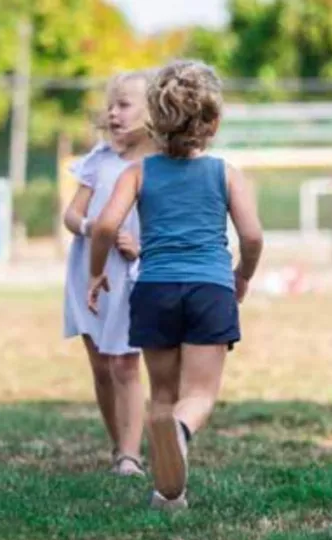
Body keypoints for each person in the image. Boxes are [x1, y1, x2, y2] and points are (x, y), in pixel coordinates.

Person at [88, 60, 264, 510]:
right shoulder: (226, 173)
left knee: (163, 395)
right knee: (200, 394)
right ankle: (180, 432)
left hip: (154, 289)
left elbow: (106, 225)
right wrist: (243, 274)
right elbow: (252, 236)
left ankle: (169, 494)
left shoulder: (138, 173)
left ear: (155, 119)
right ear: (215, 121)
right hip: (209, 289)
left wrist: (95, 272)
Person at [62, 70, 157, 476]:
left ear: (152, 111)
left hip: (133, 275)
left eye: (124, 105)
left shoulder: (161, 166)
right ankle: (118, 445)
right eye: (111, 106)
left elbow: (166, 223)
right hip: (89, 270)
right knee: (101, 364)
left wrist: (141, 245)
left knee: (126, 364)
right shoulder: (98, 160)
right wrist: (94, 228)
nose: (114, 114)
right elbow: (72, 215)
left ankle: (132, 456)